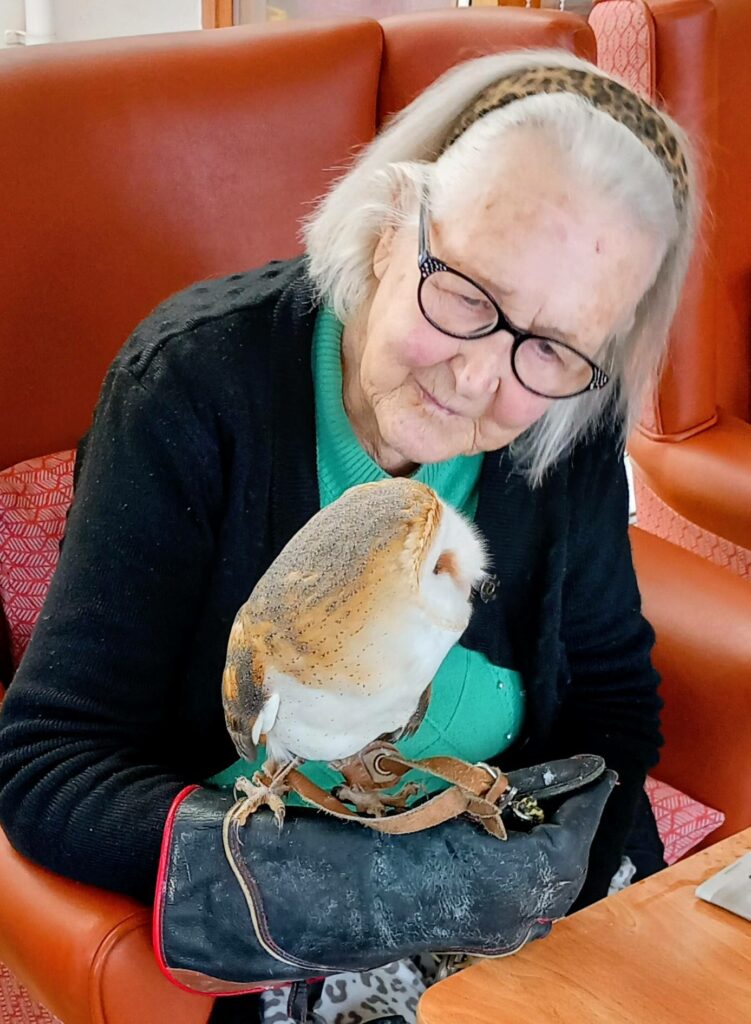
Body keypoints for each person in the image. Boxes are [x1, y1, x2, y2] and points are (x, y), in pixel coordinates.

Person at [0, 48, 695, 1024]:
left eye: (550, 347)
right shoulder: (191, 389)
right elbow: (46, 759)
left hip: (498, 900)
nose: (475, 380)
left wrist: (555, 876)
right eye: (464, 291)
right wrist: (330, 878)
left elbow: (612, 701)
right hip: (276, 922)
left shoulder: (556, 421)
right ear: (389, 227)